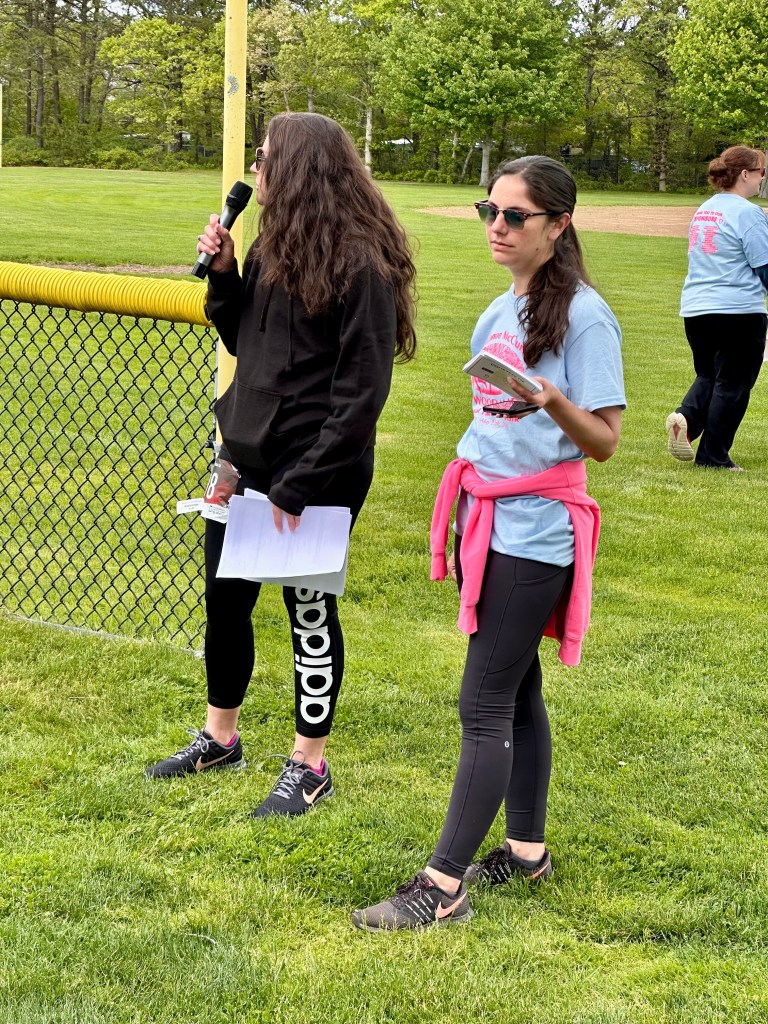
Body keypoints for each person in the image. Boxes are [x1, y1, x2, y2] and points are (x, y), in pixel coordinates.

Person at [352, 156, 625, 931]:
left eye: (515, 215)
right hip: (489, 522)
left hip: (535, 534)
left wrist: (552, 400)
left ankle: (442, 887)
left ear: (559, 224)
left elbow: (604, 441)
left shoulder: (587, 318)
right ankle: (527, 853)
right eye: (489, 211)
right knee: (517, 690)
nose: (497, 227)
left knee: (483, 703)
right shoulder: (500, 310)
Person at [146, 112, 416, 819]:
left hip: (317, 471)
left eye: (264, 158)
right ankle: (220, 738)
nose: (255, 170)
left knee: (309, 613)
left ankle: (309, 764)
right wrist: (226, 276)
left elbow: (363, 394)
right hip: (245, 458)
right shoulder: (274, 244)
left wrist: (301, 485)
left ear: (298, 169)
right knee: (225, 601)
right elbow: (249, 341)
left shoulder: (361, 263)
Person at [666, 145, 768, 471]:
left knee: (709, 375)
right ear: (745, 174)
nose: (762, 179)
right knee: (734, 384)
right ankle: (713, 456)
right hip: (738, 310)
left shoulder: (706, 209)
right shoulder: (748, 213)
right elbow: (764, 265)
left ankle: (686, 420)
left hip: (696, 309)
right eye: (761, 172)